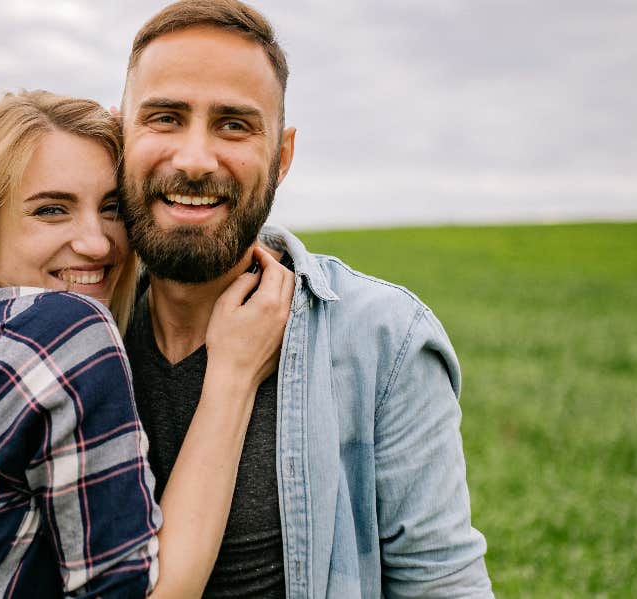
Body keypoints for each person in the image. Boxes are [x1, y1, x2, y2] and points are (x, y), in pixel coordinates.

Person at [0, 90, 293, 598]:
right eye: (52, 210)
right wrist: (232, 376)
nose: (97, 243)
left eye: (113, 208)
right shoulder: (62, 326)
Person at [116, 1, 494, 597]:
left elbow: (442, 584)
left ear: (282, 157)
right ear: (121, 136)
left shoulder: (383, 343)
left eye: (234, 124)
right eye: (164, 118)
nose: (193, 160)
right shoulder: (78, 339)